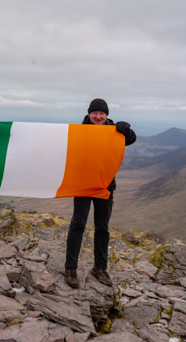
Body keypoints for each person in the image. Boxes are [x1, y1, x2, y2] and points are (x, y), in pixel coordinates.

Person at [65, 98, 136, 289]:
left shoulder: (113, 130)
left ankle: (100, 267)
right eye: (95, 113)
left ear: (106, 115)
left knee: (102, 227)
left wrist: (126, 129)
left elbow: (130, 139)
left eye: (102, 113)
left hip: (105, 186)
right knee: (78, 224)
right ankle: (71, 268)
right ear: (89, 114)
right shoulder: (80, 131)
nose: (98, 116)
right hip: (83, 184)